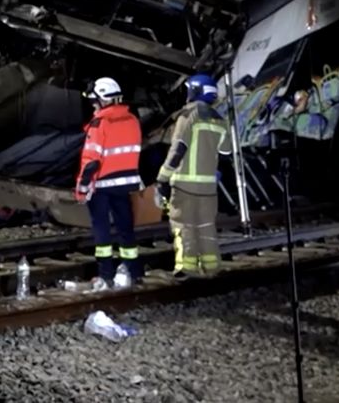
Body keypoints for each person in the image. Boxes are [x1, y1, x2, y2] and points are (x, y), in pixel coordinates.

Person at [155, 73, 231, 277]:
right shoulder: (219, 119)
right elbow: (226, 153)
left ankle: (186, 267)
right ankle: (212, 266)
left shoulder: (188, 116)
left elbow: (178, 150)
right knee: (206, 226)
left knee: (183, 225)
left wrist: (162, 178)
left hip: (184, 185)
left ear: (194, 91)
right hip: (208, 188)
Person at [75, 77, 143, 288]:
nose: (93, 105)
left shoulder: (100, 124)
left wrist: (82, 189)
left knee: (102, 229)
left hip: (102, 185)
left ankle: (106, 275)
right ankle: (134, 272)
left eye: (95, 101)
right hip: (125, 184)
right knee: (125, 228)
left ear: (103, 100)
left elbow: (91, 161)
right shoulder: (132, 120)